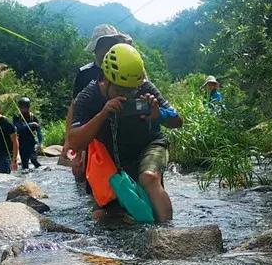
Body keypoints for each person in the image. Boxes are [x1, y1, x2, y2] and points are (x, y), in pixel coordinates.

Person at [68, 43, 183, 223]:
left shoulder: (145, 86)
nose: (127, 95)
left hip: (149, 147)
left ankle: (167, 236)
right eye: (121, 90)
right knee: (103, 217)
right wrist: (103, 114)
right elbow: (74, 142)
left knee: (149, 178)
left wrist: (158, 115)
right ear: (106, 78)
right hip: (112, 161)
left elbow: (177, 121)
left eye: (132, 90)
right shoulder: (88, 97)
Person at [65, 24, 133, 182]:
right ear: (95, 49)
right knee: (87, 180)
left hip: (122, 134)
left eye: (111, 44)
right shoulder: (85, 73)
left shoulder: (125, 67)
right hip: (91, 133)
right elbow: (74, 109)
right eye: (103, 45)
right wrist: (71, 149)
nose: (108, 48)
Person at [12, 97, 42, 170]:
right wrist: (30, 125)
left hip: (31, 142)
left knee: (33, 159)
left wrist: (40, 143)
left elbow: (39, 131)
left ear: (28, 107)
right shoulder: (17, 117)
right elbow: (19, 128)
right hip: (22, 143)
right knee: (25, 165)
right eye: (21, 107)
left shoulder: (33, 117)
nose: (23, 109)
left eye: (25, 107)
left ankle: (41, 171)